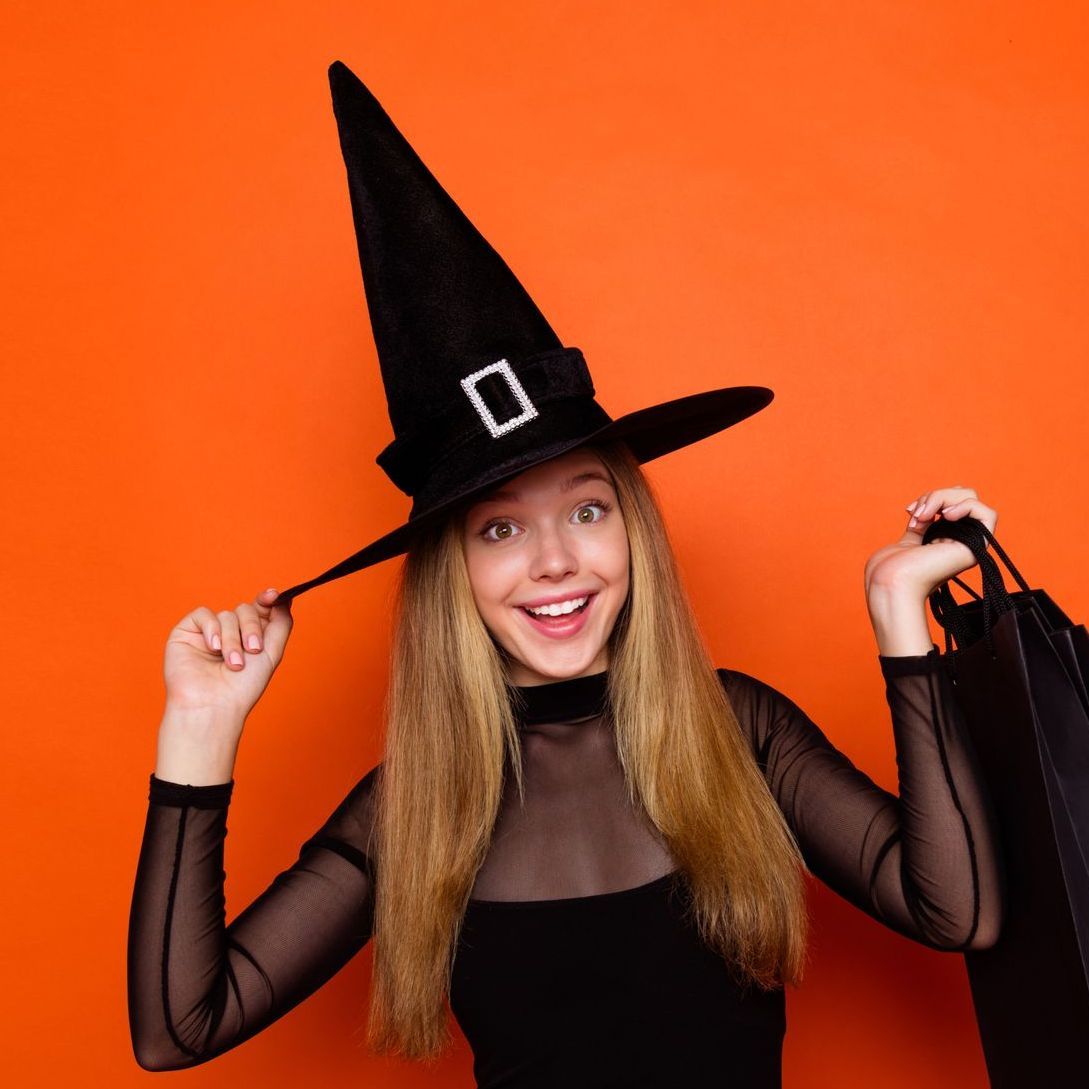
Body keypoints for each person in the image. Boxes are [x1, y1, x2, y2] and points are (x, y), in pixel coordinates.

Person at [127, 61, 1005, 1087]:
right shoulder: (415, 808)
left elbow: (960, 911)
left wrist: (900, 616)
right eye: (499, 531)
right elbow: (177, 1029)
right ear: (450, 571)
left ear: (631, 527)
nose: (554, 562)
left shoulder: (742, 734)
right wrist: (200, 726)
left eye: (587, 511)